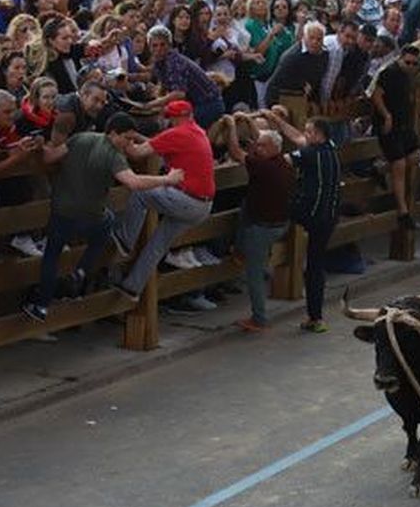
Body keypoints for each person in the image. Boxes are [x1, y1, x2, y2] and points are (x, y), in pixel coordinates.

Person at [24, 113, 182, 321]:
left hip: (61, 210)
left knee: (51, 255)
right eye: (126, 138)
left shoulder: (80, 138)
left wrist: (38, 146)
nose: (129, 143)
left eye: (132, 139)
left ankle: (41, 306)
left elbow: (49, 157)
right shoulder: (114, 155)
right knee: (106, 225)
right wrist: (167, 179)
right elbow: (133, 183)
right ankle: (81, 271)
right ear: (113, 133)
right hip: (90, 214)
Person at [112, 100, 215, 299]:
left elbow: (136, 153)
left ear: (176, 118)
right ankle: (132, 288)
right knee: (158, 245)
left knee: (141, 194)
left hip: (186, 199)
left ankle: (125, 240)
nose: (166, 121)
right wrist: (137, 136)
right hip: (203, 205)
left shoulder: (177, 133)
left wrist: (125, 140)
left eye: (168, 118)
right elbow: (159, 142)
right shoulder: (197, 131)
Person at [224, 116, 297, 332]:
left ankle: (259, 318)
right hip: (280, 223)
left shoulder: (262, 166)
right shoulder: (283, 162)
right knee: (246, 206)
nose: (257, 147)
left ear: (274, 147)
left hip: (263, 228)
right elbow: (261, 141)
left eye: (262, 146)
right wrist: (249, 122)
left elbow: (236, 152)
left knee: (253, 275)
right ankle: (241, 250)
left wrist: (231, 127)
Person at [286, 115, 341, 333]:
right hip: (330, 216)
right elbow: (298, 138)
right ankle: (315, 316)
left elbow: (282, 160)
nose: (305, 135)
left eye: (309, 132)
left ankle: (315, 316)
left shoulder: (309, 154)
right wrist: (277, 121)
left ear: (318, 135)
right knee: (317, 263)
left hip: (311, 214)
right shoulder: (331, 149)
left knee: (314, 268)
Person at [371, 42, 420, 228]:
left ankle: (382, 168)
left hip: (404, 124)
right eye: (407, 62)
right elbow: (376, 93)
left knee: (415, 156)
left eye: (414, 63)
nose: (410, 66)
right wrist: (386, 115)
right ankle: (402, 211)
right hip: (389, 124)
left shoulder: (409, 76)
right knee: (399, 163)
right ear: (400, 58)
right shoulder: (390, 72)